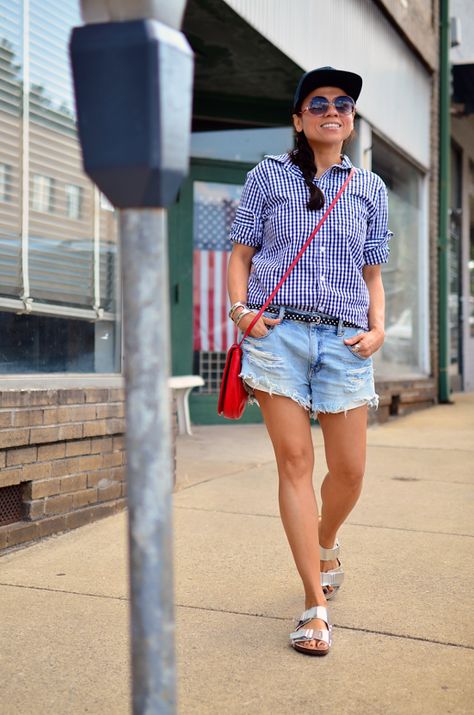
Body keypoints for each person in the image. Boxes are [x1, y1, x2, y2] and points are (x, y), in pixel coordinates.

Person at [226, 66, 392, 656]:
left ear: (350, 120)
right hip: (278, 337)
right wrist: (242, 313)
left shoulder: (370, 188)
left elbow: (373, 272)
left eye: (343, 103)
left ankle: (326, 537)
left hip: (346, 340)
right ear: (298, 119)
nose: (332, 109)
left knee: (348, 472)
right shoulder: (268, 175)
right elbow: (241, 253)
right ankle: (313, 604)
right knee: (295, 462)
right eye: (317, 102)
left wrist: (377, 328)